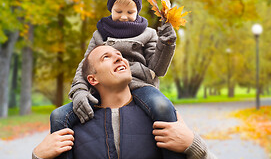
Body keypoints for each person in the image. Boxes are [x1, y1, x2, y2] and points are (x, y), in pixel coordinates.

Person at [50, 0, 182, 158]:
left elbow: (158, 68)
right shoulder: (100, 34)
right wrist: (79, 91)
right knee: (58, 116)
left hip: (140, 85)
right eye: (118, 10)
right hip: (104, 86)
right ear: (110, 8)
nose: (124, 16)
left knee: (162, 106)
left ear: (138, 11)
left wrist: (166, 43)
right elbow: (85, 66)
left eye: (130, 11)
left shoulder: (148, 33)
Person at [33, 45, 216, 159]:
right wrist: (37, 157)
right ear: (92, 79)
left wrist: (195, 147)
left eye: (119, 54)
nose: (119, 57)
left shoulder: (161, 120)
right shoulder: (72, 129)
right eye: (106, 57)